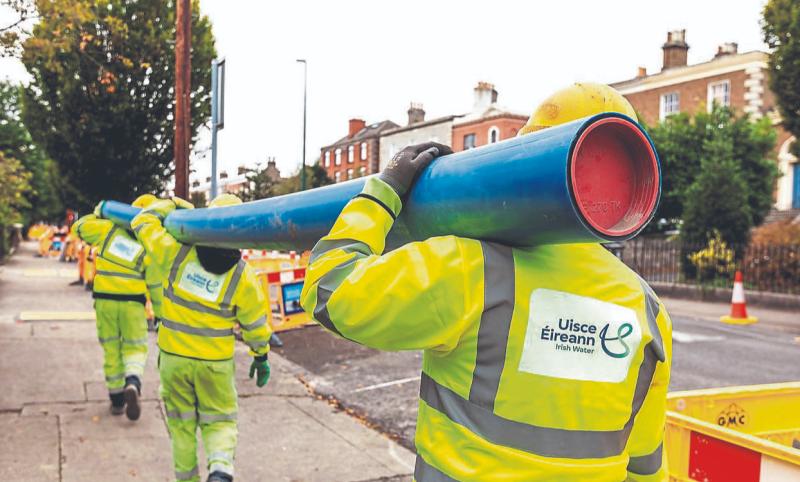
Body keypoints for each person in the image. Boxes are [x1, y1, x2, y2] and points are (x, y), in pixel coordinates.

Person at [301, 83, 672, 482]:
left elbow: (329, 289)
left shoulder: (469, 268)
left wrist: (380, 196)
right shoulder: (646, 310)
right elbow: (646, 463)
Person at [131, 193, 273, 482]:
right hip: (215, 364)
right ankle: (220, 470)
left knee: (181, 427)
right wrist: (261, 355)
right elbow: (256, 324)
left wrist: (174, 205)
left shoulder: (176, 254)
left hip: (173, 360)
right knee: (219, 421)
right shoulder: (243, 277)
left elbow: (142, 221)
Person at [71, 204, 150, 420]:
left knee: (111, 349)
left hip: (105, 300)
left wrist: (101, 212)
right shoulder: (149, 241)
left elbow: (78, 227)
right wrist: (161, 314)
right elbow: (155, 281)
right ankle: (133, 381)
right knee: (135, 347)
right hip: (133, 303)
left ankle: (116, 401)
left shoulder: (107, 230)